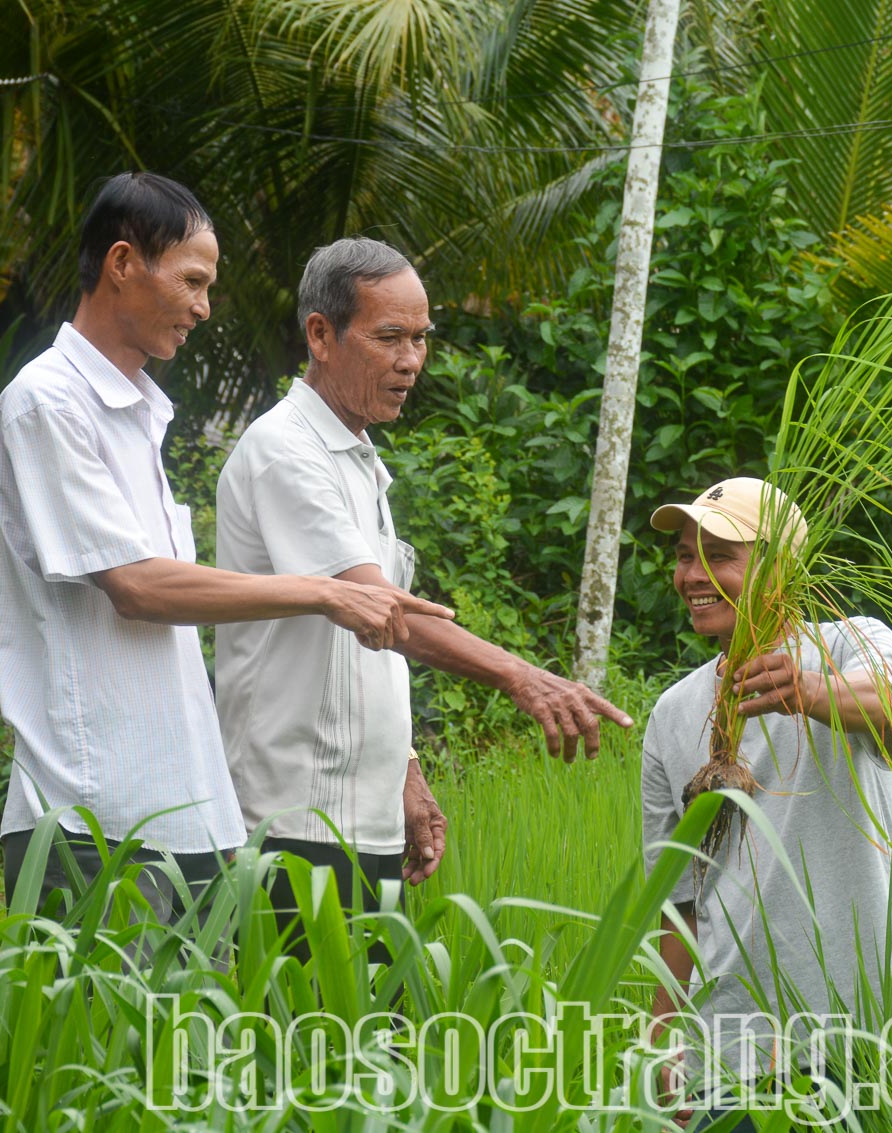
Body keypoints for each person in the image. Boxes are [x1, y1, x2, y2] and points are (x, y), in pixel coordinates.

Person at [0, 174, 446, 919]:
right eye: (193, 280)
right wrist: (325, 591)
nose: (204, 306)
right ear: (122, 263)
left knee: (196, 1038)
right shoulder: (48, 401)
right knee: (103, 1038)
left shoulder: (141, 416)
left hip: (183, 813)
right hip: (91, 816)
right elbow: (137, 586)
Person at [214, 237, 633, 929]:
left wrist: (403, 770)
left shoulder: (358, 458)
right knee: (310, 1036)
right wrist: (522, 677)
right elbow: (384, 612)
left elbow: (372, 645)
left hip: (361, 818)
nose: (410, 360)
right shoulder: (285, 451)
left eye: (419, 338)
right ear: (321, 334)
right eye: (389, 337)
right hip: (294, 822)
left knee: (371, 1036)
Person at [640, 476, 892, 1116]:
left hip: (857, 1031)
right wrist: (663, 1048)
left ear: (780, 568)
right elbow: (677, 902)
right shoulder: (673, 713)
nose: (692, 574)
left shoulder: (850, 644)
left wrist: (809, 692)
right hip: (727, 1046)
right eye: (684, 555)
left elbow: (881, 705)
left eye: (719, 555)